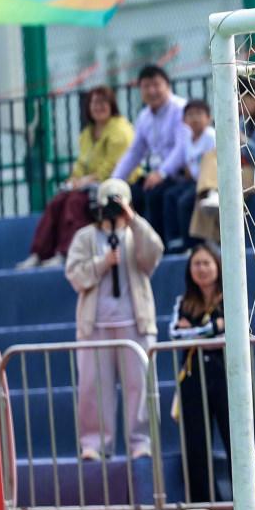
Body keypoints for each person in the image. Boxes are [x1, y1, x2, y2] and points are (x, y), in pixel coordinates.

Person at [66, 177, 164, 461]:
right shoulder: (85, 237)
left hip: (135, 322)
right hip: (95, 324)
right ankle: (94, 444)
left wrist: (133, 220)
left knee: (140, 386)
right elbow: (74, 274)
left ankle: (141, 441)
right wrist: (102, 263)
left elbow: (153, 255)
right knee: (93, 388)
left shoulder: (136, 233)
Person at [18, 85, 135, 270]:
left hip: (112, 185)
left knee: (75, 203)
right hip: (88, 184)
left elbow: (113, 166)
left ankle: (66, 252)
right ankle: (39, 253)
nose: (98, 107)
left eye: (103, 103)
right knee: (57, 202)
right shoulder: (87, 133)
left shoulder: (120, 130)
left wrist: (84, 181)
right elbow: (81, 163)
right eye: (94, 103)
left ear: (112, 105)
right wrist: (74, 179)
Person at [170, 241, 231, 510]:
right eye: (196, 263)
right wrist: (211, 330)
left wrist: (196, 331)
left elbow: (230, 331)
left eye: (207, 263)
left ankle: (244, 509)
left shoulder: (231, 298)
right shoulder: (183, 303)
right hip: (193, 379)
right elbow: (175, 334)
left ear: (218, 265)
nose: (202, 269)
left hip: (227, 376)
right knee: (195, 446)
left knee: (236, 443)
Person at [111, 64, 187, 238]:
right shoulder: (144, 117)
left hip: (180, 174)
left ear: (167, 85)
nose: (152, 91)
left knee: (154, 195)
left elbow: (182, 148)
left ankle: (162, 245)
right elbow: (135, 153)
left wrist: (162, 173)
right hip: (156, 177)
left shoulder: (181, 109)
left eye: (156, 85)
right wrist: (114, 181)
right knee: (128, 195)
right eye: (146, 86)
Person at [153, 98, 216, 253]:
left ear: (209, 118)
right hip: (194, 181)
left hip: (209, 182)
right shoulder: (187, 139)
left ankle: (192, 245)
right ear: (184, 120)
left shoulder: (211, 136)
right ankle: (174, 240)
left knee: (185, 202)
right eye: (190, 115)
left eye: (199, 114)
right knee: (169, 195)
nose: (195, 118)